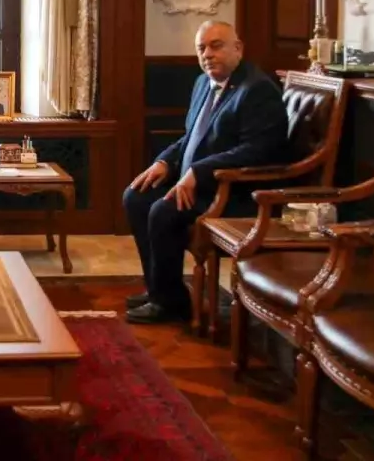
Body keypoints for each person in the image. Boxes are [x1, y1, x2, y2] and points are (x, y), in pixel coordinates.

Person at [122, 21, 288, 325]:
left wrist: (199, 171)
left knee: (163, 211)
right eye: (202, 49)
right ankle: (160, 289)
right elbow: (191, 138)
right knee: (136, 196)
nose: (208, 54)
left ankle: (170, 305)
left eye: (216, 46)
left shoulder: (257, 90)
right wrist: (165, 162)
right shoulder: (202, 82)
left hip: (234, 193)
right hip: (197, 183)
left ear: (238, 48)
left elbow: (258, 151)